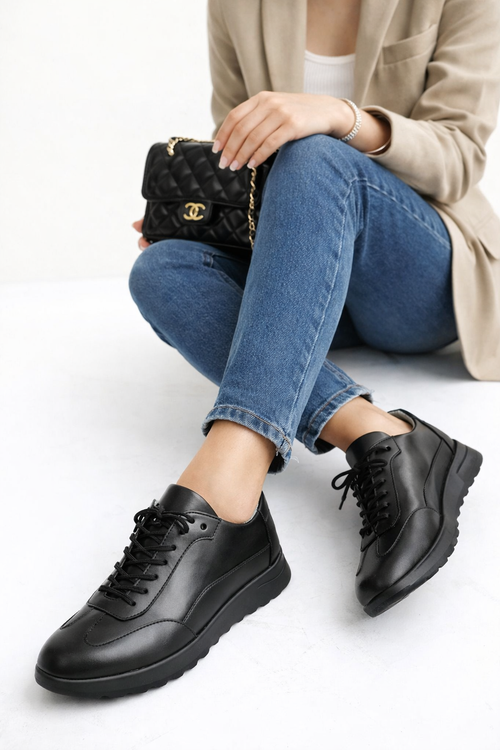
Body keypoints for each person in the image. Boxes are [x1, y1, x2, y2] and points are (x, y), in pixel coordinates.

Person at [35, 0, 499, 698]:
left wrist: (339, 117)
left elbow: (458, 158)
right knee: (161, 270)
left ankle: (224, 496)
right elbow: (241, 156)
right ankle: (379, 433)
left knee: (317, 152)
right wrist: (201, 217)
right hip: (309, 271)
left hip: (418, 272)